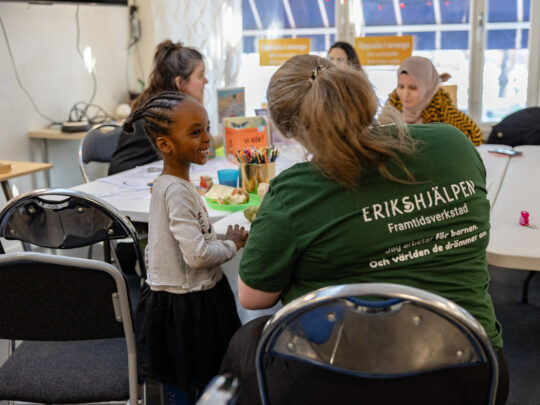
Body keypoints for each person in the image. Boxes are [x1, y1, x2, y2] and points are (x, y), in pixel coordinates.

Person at [220, 55, 508, 404]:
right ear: (360, 95)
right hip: (470, 371)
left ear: (286, 129)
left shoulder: (294, 190)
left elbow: (254, 296)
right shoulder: (455, 143)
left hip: (339, 380)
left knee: (246, 339)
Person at [124, 91, 248, 404]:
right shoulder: (175, 191)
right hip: (189, 306)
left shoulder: (169, 185)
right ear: (165, 144)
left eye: (207, 128)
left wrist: (217, 239)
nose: (208, 138)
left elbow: (173, 243)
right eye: (196, 132)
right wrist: (231, 245)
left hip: (176, 298)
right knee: (196, 382)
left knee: (183, 382)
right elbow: (197, 256)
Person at [109, 40, 208, 175]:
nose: (205, 81)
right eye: (200, 75)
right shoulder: (167, 112)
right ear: (180, 82)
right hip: (129, 179)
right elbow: (198, 148)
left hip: (140, 176)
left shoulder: (161, 103)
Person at [383, 55, 483, 146]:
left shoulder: (441, 108)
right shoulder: (393, 105)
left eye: (413, 87)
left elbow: (475, 137)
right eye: (401, 86)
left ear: (428, 87)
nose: (405, 94)